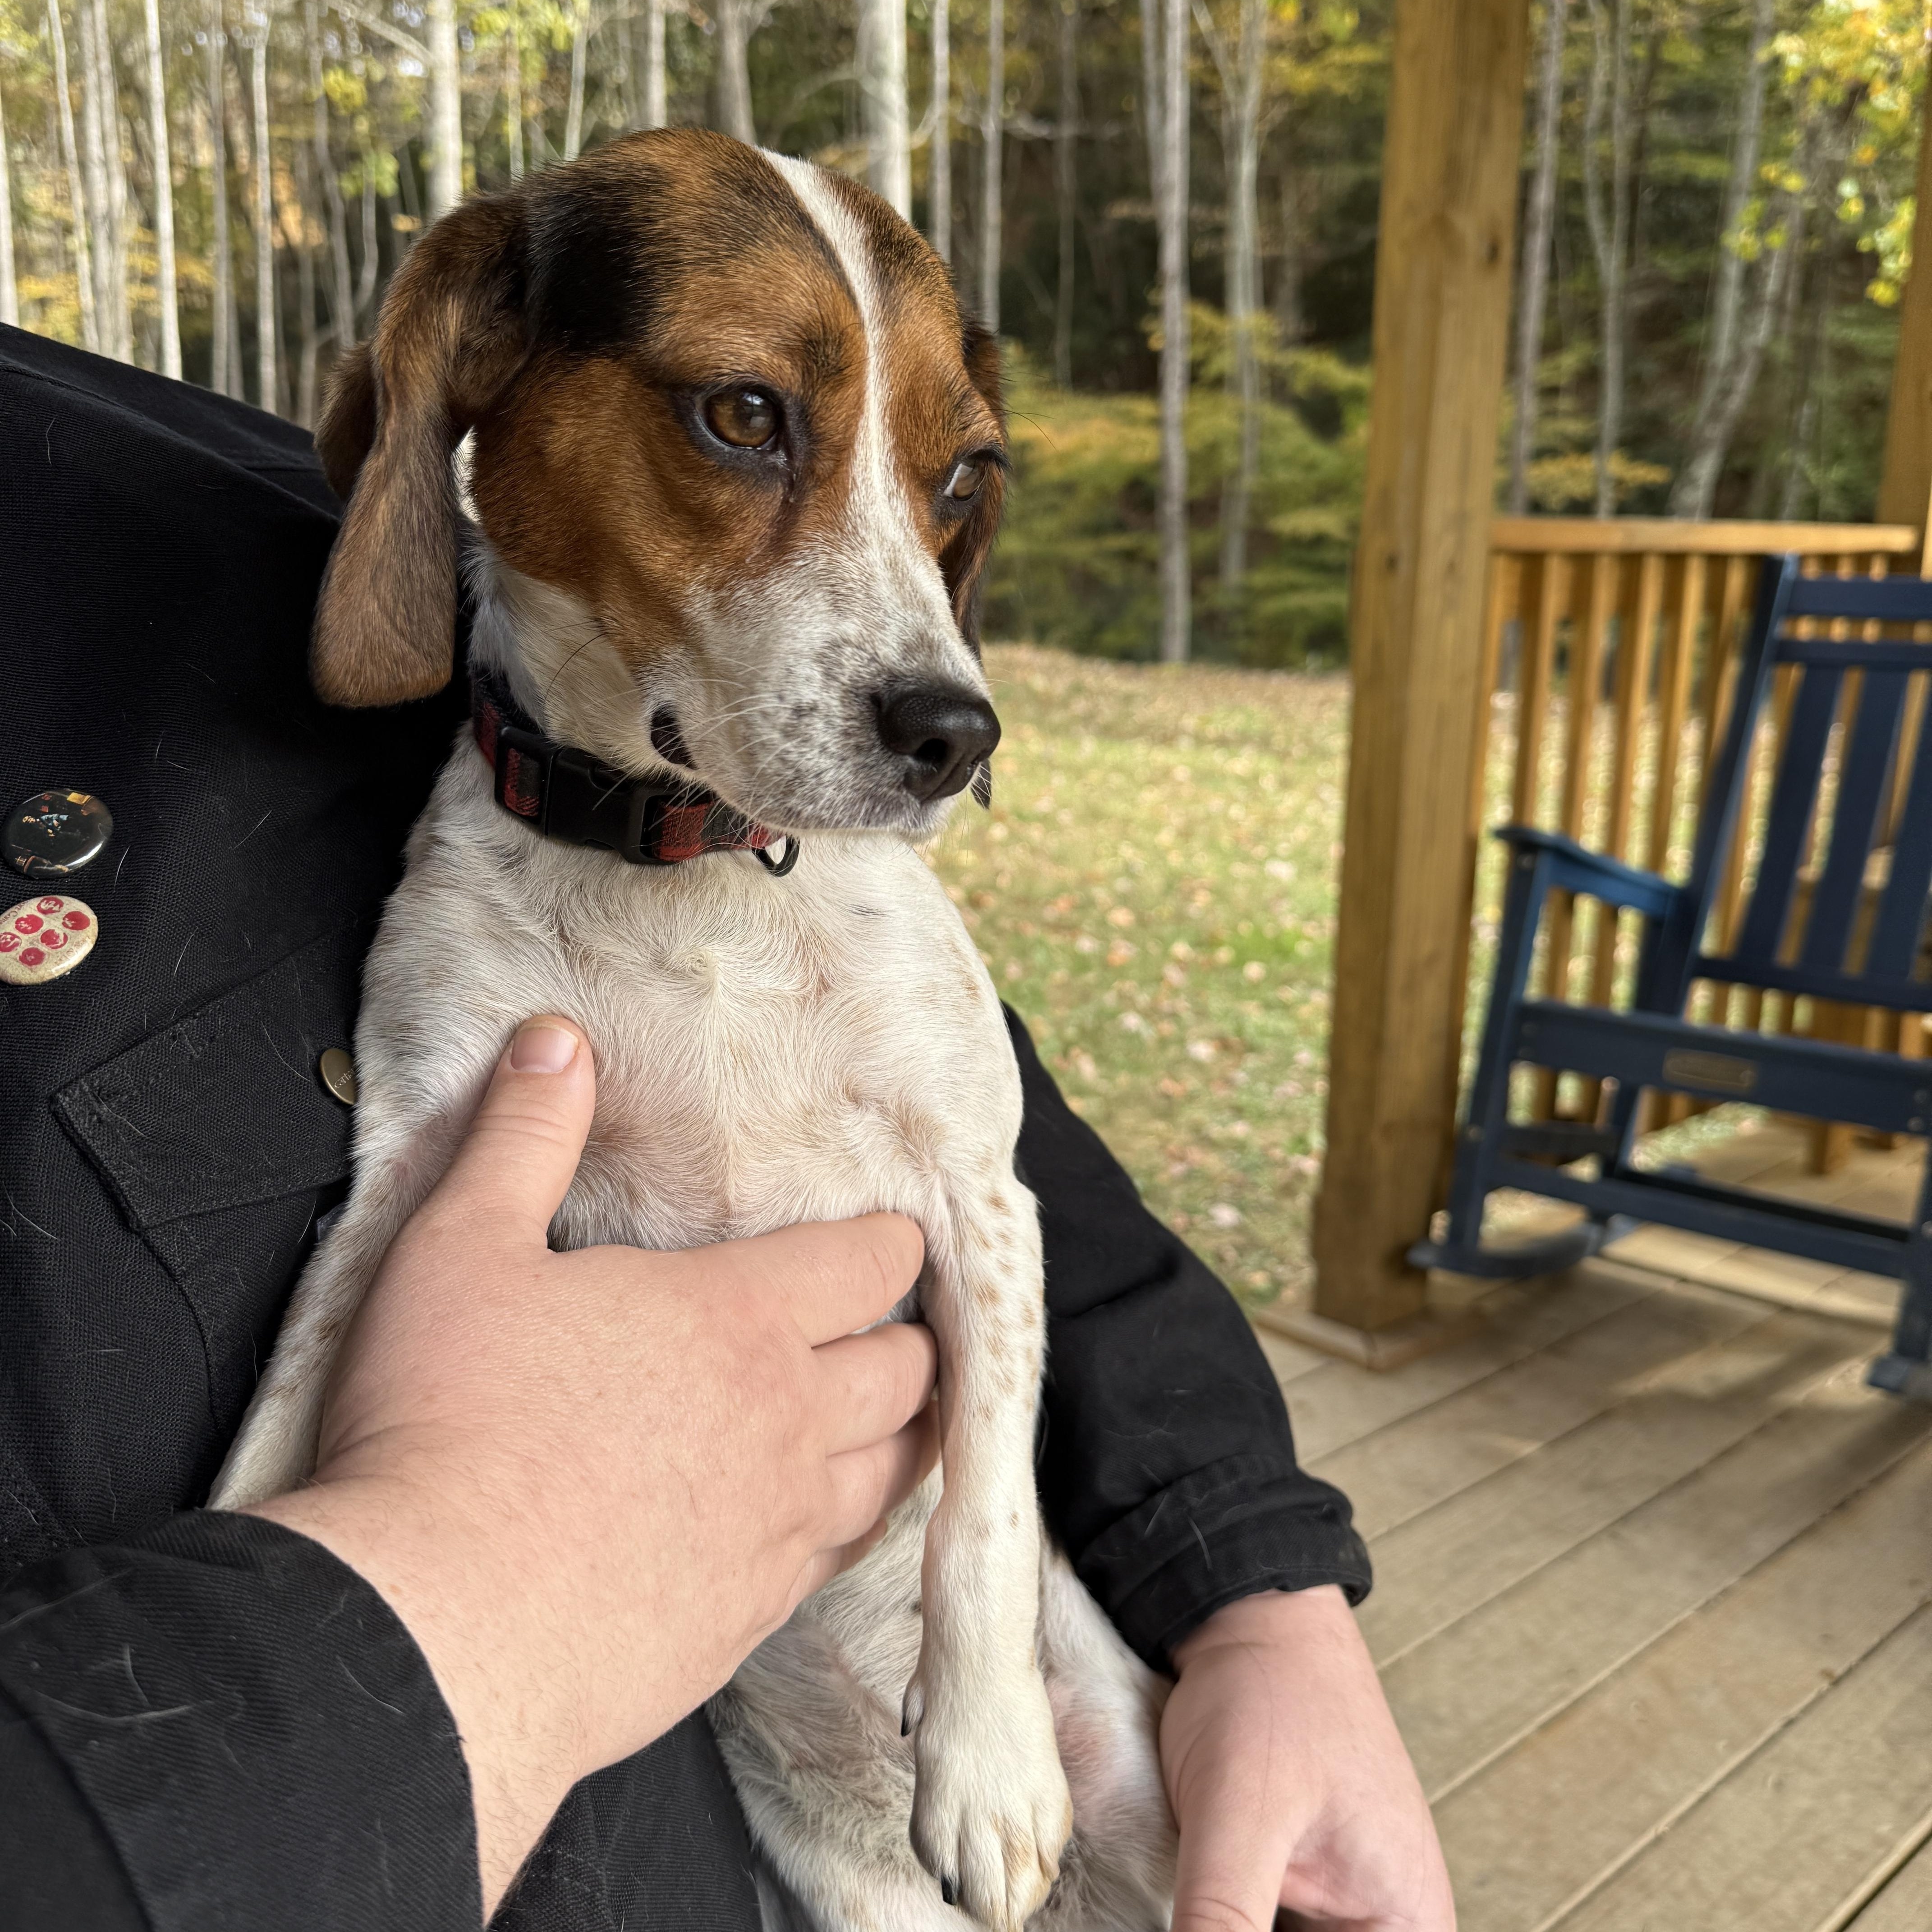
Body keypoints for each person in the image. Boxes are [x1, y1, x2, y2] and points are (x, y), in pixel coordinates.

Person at [0, 322, 1453, 1932]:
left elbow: (1004, 1170)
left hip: (1038, 1686)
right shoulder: (459, 769)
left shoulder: (225, 483)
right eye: (744, 417)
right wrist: (402, 1589)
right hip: (735, 1823)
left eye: (952, 478)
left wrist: (1260, 1592)